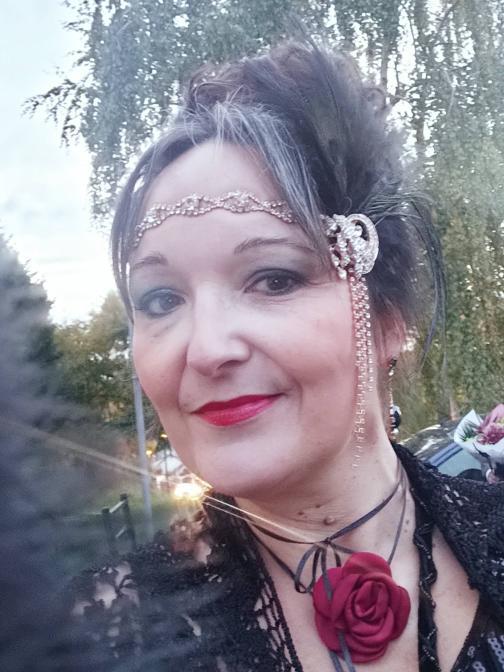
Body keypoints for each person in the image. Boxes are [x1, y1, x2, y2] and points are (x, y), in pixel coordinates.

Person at [71, 41, 504, 671]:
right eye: (162, 299)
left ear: (388, 321)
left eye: (273, 279)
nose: (207, 349)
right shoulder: (94, 640)